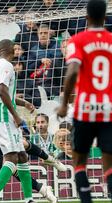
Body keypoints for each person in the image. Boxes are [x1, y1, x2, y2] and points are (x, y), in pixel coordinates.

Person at [56, 0, 112, 202]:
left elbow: (72, 72)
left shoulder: (77, 40)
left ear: (86, 17)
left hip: (85, 109)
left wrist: (63, 104)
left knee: (79, 160)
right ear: (105, 17)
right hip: (108, 110)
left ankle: (86, 200)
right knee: (109, 161)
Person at [0, 39, 34, 203]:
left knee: (22, 156)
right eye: (15, 49)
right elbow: (2, 91)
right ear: (10, 50)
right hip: (3, 116)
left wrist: (24, 103)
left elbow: (3, 94)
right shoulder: (6, 65)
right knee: (12, 157)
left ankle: (29, 199)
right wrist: (17, 116)